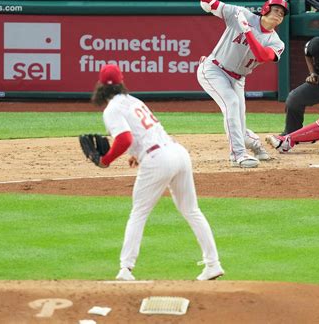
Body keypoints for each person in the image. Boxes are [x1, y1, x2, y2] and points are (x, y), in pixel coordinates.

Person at [88, 63, 224, 282]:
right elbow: (143, 133)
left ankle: (125, 269)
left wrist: (106, 160)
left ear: (101, 86)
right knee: (192, 211)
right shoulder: (134, 101)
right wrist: (135, 153)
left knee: (139, 212)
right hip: (178, 152)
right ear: (122, 81)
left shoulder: (112, 109)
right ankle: (213, 264)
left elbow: (124, 139)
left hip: (158, 160)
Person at [182, 0, 286, 168]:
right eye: (275, 11)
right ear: (265, 9)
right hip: (213, 69)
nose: (278, 15)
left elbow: (262, 55)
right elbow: (212, 4)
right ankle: (238, 154)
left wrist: (247, 32)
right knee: (231, 104)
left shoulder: (277, 42)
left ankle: (253, 143)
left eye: (282, 14)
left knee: (238, 119)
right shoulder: (242, 14)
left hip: (238, 78)